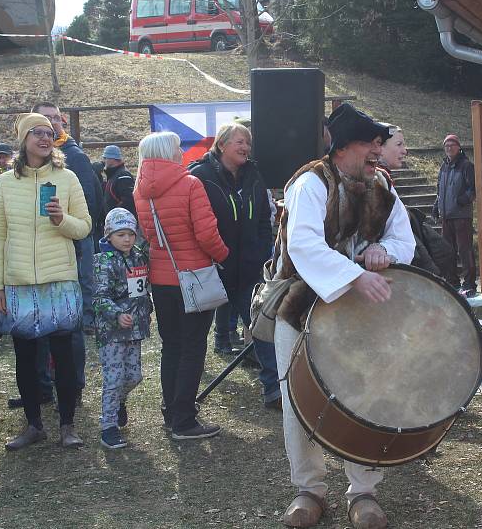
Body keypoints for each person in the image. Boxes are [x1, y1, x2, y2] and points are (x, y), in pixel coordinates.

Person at [273, 104, 415, 529]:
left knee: (367, 397)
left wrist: (383, 252)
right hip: (299, 308)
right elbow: (304, 246)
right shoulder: (310, 183)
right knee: (298, 401)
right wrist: (354, 276)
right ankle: (308, 490)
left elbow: (402, 237)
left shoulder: (382, 184)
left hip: (361, 312)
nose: (378, 150)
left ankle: (363, 491)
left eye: (380, 143)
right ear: (344, 146)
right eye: (371, 143)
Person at [0, 113, 92, 450]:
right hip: (17, 282)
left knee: (63, 356)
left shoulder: (68, 177)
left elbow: (85, 226)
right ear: (22, 139)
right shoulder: (4, 182)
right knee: (25, 357)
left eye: (50, 133)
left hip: (59, 279)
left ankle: (67, 425)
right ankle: (33, 425)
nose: (46, 138)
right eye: (37, 133)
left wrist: (63, 220)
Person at [133, 131, 229, 439]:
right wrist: (224, 255)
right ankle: (184, 420)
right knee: (193, 346)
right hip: (194, 275)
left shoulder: (140, 189)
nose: (181, 151)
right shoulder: (190, 184)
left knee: (171, 346)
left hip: (161, 278)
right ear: (168, 151)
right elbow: (206, 234)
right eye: (177, 147)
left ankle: (171, 410)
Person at [188, 122, 281, 409]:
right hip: (211, 268)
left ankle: (274, 390)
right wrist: (217, 255)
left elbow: (265, 216)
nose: (245, 148)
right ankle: (188, 384)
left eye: (247, 143)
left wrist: (261, 248)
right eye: (239, 141)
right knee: (194, 333)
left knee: (262, 327)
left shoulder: (253, 175)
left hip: (249, 270)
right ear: (222, 145)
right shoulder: (200, 176)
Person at [31, 102, 102, 401]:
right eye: (43, 120)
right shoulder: (24, 167)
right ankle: (43, 383)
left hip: (72, 242)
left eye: (55, 118)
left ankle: (72, 382)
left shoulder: (74, 157)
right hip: (38, 253)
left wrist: (74, 232)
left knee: (69, 321)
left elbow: (89, 204)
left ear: (62, 121)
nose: (51, 125)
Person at [93, 208, 152, 449]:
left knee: (134, 376)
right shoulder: (103, 261)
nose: (127, 239)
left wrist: (146, 311)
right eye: (120, 235)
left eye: (130, 233)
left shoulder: (139, 256)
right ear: (109, 237)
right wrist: (117, 314)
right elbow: (99, 297)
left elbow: (142, 288)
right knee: (114, 378)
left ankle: (119, 402)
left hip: (135, 329)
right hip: (111, 332)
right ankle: (108, 426)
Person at [378, 125, 457, 283]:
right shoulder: (376, 181)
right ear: (379, 147)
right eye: (399, 144)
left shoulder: (383, 178)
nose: (405, 151)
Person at [431, 134, 477, 297]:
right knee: (447, 251)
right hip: (446, 216)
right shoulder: (444, 167)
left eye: (452, 145)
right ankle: (452, 282)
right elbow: (439, 189)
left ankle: (470, 284)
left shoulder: (466, 166)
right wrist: (436, 206)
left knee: (465, 250)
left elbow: (474, 189)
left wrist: (461, 200)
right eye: (446, 146)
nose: (449, 148)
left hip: (461, 216)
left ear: (459, 147)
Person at [102, 145, 137, 218]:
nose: (103, 160)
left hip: (121, 222)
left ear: (113, 159)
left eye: (106, 158)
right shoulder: (114, 174)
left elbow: (128, 200)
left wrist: (115, 214)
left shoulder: (123, 176)